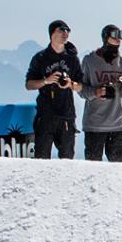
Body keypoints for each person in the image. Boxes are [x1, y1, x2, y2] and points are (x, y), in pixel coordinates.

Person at [24, 19, 84, 160]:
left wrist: (70, 84)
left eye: (67, 30)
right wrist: (46, 81)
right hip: (45, 115)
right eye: (61, 30)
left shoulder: (72, 59)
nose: (65, 33)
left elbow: (81, 86)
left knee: (67, 160)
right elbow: (29, 85)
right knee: (42, 159)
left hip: (66, 116)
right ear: (52, 34)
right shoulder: (40, 58)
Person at [81, 24, 122, 162]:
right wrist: (96, 92)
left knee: (117, 171)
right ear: (105, 37)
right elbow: (81, 90)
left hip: (117, 125)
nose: (119, 39)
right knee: (92, 172)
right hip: (94, 125)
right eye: (115, 35)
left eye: (121, 35)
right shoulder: (89, 60)